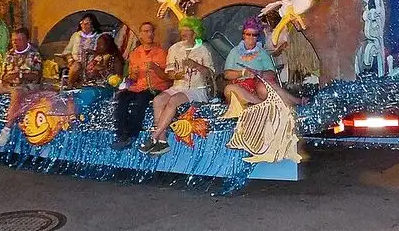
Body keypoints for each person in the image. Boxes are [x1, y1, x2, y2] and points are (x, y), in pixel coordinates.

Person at [139, 17, 214, 156]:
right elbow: (169, 75)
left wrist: (197, 66)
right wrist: (175, 75)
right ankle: (162, 142)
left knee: (173, 101)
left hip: (196, 89)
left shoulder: (203, 50)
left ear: (195, 33)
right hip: (178, 86)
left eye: (188, 31)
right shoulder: (174, 49)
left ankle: (153, 136)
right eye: (182, 31)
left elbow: (210, 74)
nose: (184, 34)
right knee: (158, 100)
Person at [0, 27, 42, 147]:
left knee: (16, 93)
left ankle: (6, 131)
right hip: (10, 85)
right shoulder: (10, 53)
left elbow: (36, 76)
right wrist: (4, 79)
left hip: (27, 86)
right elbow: (4, 73)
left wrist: (20, 75)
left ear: (27, 40)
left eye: (19, 40)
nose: (15, 43)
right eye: (14, 40)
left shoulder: (34, 54)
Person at [111, 22, 170, 150]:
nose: (149, 34)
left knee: (141, 100)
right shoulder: (135, 53)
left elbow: (168, 77)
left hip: (155, 87)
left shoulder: (161, 52)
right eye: (146, 31)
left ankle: (132, 134)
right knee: (122, 98)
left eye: (151, 31)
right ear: (141, 35)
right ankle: (121, 135)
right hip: (138, 86)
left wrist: (155, 68)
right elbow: (133, 78)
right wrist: (131, 77)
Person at [223, 17, 303, 107]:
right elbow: (227, 75)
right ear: (243, 35)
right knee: (229, 89)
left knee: (264, 88)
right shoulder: (234, 52)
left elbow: (272, 73)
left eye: (254, 35)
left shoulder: (262, 52)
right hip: (241, 86)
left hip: (259, 83)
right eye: (248, 34)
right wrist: (243, 73)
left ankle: (296, 102)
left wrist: (259, 73)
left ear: (257, 37)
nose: (251, 37)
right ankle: (261, 105)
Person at [62, 13, 102, 87]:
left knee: (95, 70)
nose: (83, 25)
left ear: (93, 25)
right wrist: (70, 59)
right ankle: (69, 86)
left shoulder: (99, 37)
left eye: (86, 24)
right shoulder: (76, 35)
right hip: (75, 63)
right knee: (77, 66)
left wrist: (94, 62)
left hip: (92, 64)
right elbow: (67, 51)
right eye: (82, 23)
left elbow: (101, 52)